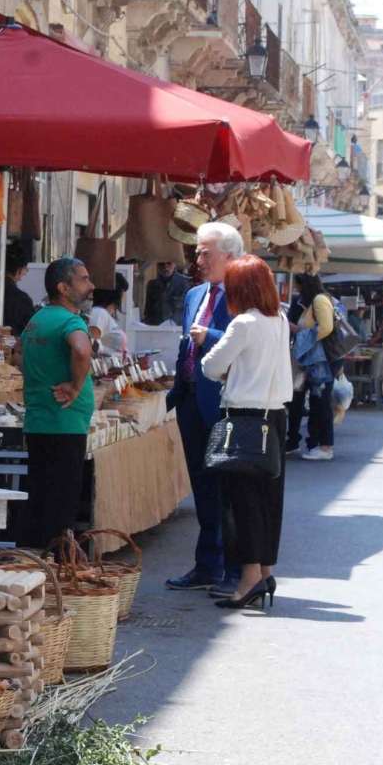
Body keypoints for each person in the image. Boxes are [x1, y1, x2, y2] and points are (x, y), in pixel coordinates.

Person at [200, 255, 292, 611]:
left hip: (244, 419)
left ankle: (249, 578)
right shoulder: (279, 319)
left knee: (241, 502)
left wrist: (231, 370)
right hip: (275, 417)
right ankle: (264, 571)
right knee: (268, 499)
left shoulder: (244, 323)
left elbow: (210, 366)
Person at [165, 222, 242, 598]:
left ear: (228, 255)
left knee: (228, 488)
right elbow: (186, 344)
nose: (196, 258)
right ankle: (207, 563)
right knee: (201, 486)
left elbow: (245, 345)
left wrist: (207, 337)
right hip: (192, 399)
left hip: (225, 402)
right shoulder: (195, 294)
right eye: (196, 251)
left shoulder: (245, 295)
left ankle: (233, 568)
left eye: (204, 252)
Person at [21, 257, 96, 549]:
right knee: (61, 507)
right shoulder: (70, 320)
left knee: (39, 500)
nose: (91, 286)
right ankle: (53, 572)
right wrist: (76, 386)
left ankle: (31, 566)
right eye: (84, 279)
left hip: (40, 423)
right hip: (65, 424)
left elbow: (17, 354)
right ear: (64, 288)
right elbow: (81, 349)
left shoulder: (36, 320)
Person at [285, 273, 338, 461]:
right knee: (316, 402)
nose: (297, 291)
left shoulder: (319, 300)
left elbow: (325, 328)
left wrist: (303, 336)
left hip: (320, 360)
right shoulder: (316, 301)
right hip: (315, 360)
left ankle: (325, 446)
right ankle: (317, 445)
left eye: (299, 287)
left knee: (321, 402)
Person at [0, 242, 36, 335]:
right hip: (11, 348)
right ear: (21, 269)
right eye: (25, 269)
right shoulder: (24, 300)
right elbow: (31, 333)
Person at [143, 260, 191, 326]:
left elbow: (189, 310)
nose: (165, 267)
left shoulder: (185, 283)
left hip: (177, 329)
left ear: (174, 264)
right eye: (161, 264)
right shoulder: (152, 285)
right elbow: (148, 312)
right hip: (156, 329)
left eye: (169, 263)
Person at [88, 288, 128, 359]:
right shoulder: (99, 313)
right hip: (104, 367)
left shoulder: (105, 314)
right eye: (124, 290)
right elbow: (90, 345)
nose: (125, 294)